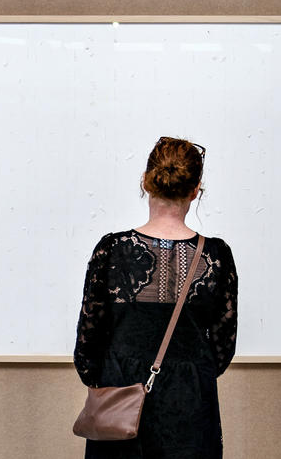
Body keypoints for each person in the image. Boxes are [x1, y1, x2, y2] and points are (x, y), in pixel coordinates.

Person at [73, 136, 238, 458]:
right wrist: (191, 370)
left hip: (120, 393)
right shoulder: (216, 255)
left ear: (146, 184)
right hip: (191, 396)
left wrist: (103, 378)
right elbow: (223, 345)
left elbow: (88, 339)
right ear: (195, 190)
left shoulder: (112, 249)